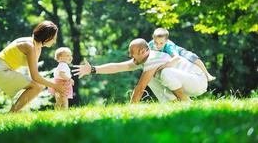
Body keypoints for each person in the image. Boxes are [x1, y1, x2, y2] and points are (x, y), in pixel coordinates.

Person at [73, 38, 208, 102]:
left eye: (133, 53)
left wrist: (130, 111)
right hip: (187, 81)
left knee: (163, 74)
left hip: (198, 80)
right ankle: (174, 105)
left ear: (143, 51)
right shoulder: (144, 58)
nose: (131, 57)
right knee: (152, 79)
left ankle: (185, 102)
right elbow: (119, 66)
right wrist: (92, 69)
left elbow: (139, 88)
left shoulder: (153, 57)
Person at [0, 20, 66, 112]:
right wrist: (54, 86)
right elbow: (35, 77)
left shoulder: (37, 48)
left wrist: (53, 85)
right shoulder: (29, 46)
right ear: (47, 37)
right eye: (53, 38)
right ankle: (12, 113)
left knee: (37, 86)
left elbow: (34, 75)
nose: (55, 41)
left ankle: (13, 113)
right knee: (37, 87)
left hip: (1, 70)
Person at [148, 28, 216, 82]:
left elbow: (177, 58)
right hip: (165, 56)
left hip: (179, 51)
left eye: (161, 43)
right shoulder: (151, 44)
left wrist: (161, 68)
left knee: (193, 57)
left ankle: (207, 74)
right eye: (156, 42)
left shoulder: (169, 46)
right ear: (153, 38)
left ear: (166, 41)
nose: (158, 45)